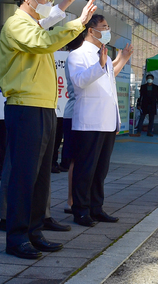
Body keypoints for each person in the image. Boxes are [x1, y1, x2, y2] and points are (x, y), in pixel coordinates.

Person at [0, 0, 97, 259]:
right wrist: (79, 22)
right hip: (25, 106)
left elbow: (48, 24)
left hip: (43, 106)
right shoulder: (17, 24)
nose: (48, 5)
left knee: (40, 176)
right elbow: (43, 41)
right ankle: (16, 238)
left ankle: (34, 231)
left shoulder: (32, 22)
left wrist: (67, 4)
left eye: (50, 0)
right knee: (24, 175)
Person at [68, 14, 133, 227]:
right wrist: (100, 65)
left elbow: (109, 81)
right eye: (104, 27)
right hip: (89, 121)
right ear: (91, 30)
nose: (107, 31)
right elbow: (79, 81)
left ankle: (96, 208)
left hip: (106, 121)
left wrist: (121, 58)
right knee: (85, 168)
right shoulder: (78, 54)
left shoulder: (101, 53)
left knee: (100, 169)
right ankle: (81, 210)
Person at [61, 30, 87, 215]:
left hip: (88, 115)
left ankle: (83, 199)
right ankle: (71, 200)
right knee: (75, 160)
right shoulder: (74, 57)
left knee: (85, 160)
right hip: (74, 114)